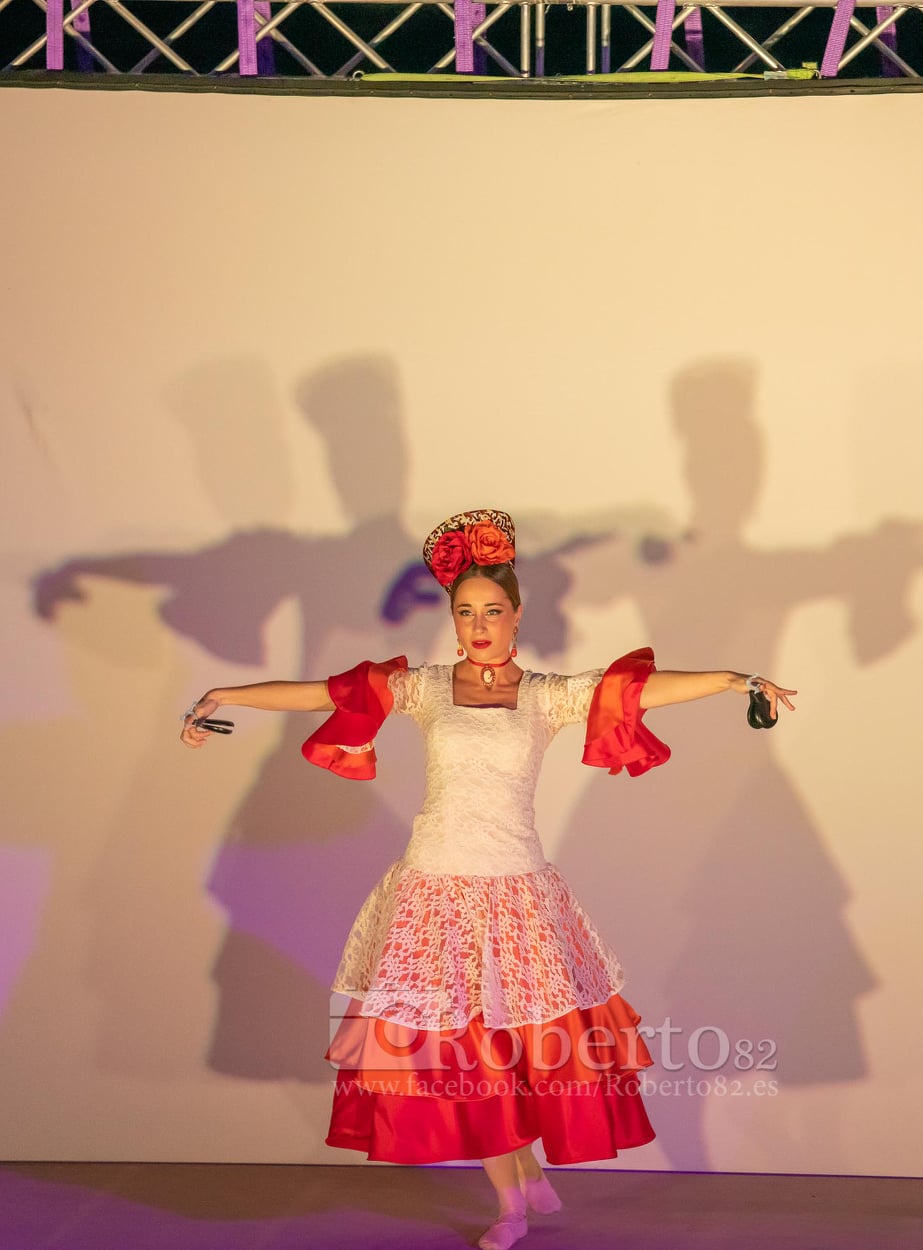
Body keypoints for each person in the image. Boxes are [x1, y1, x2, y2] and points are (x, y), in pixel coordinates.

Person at [179, 508, 796, 1250]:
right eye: (465, 611)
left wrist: (734, 679)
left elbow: (635, 691)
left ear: (516, 615)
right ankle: (511, 1202)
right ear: (452, 618)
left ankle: (523, 1174)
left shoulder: (545, 694)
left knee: (514, 1054)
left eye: (492, 611)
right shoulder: (423, 688)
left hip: (515, 892)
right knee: (468, 1057)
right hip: (435, 891)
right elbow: (322, 694)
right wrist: (225, 696)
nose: (478, 625)